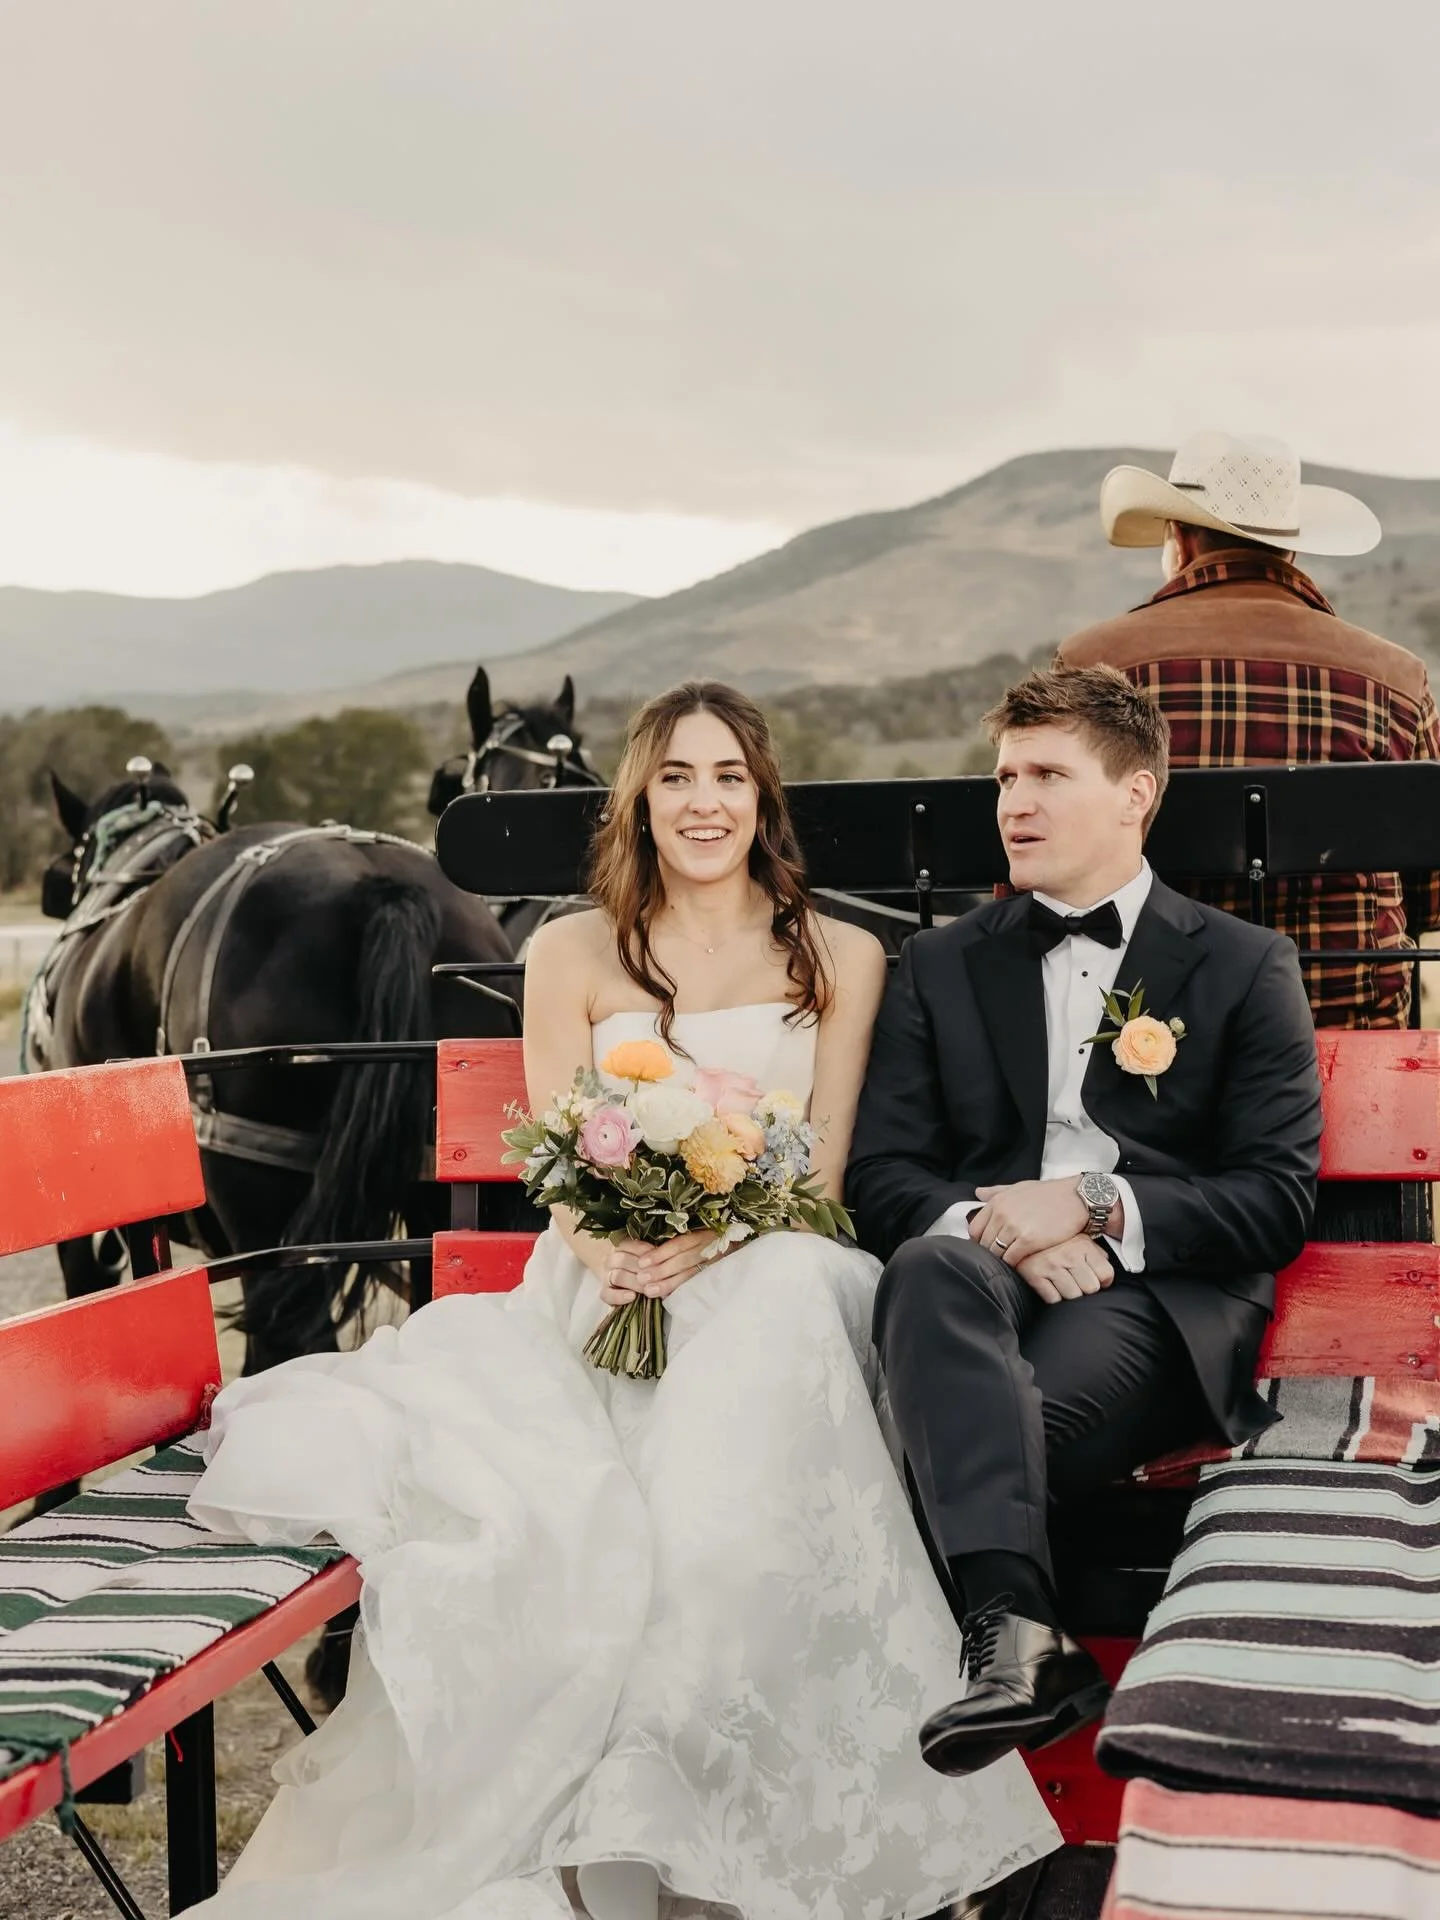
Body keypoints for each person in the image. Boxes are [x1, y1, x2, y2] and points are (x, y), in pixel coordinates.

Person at [183, 681, 1059, 1920]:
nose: (705, 804)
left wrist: (712, 1236)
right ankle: (610, 1803)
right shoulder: (571, 950)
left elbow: (820, 1161)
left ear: (763, 798)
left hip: (775, 1256)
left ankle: (714, 1770)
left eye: (729, 778)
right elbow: (557, 1151)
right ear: (639, 799)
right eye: (677, 778)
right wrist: (618, 1238)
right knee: (572, 1486)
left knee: (793, 1296)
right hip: (606, 1272)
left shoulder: (844, 955)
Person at [847, 664, 1322, 1777]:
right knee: (927, 1263)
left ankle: (954, 1707)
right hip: (977, 1282)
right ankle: (1020, 1642)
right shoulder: (939, 965)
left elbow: (1274, 1197)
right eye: (1006, 775)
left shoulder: (1245, 966)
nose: (1014, 801)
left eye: (1048, 775)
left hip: (1157, 1306)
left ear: (1135, 795)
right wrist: (1005, 1226)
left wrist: (1096, 1204)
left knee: (952, 1451)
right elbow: (885, 1174)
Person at [1060, 430, 1440, 1027]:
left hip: (1140, 1028)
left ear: (1179, 540)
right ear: (1289, 551)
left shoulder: (1094, 663)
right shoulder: (1395, 679)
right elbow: (1428, 894)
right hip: (1342, 1026)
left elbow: (1052, 862)